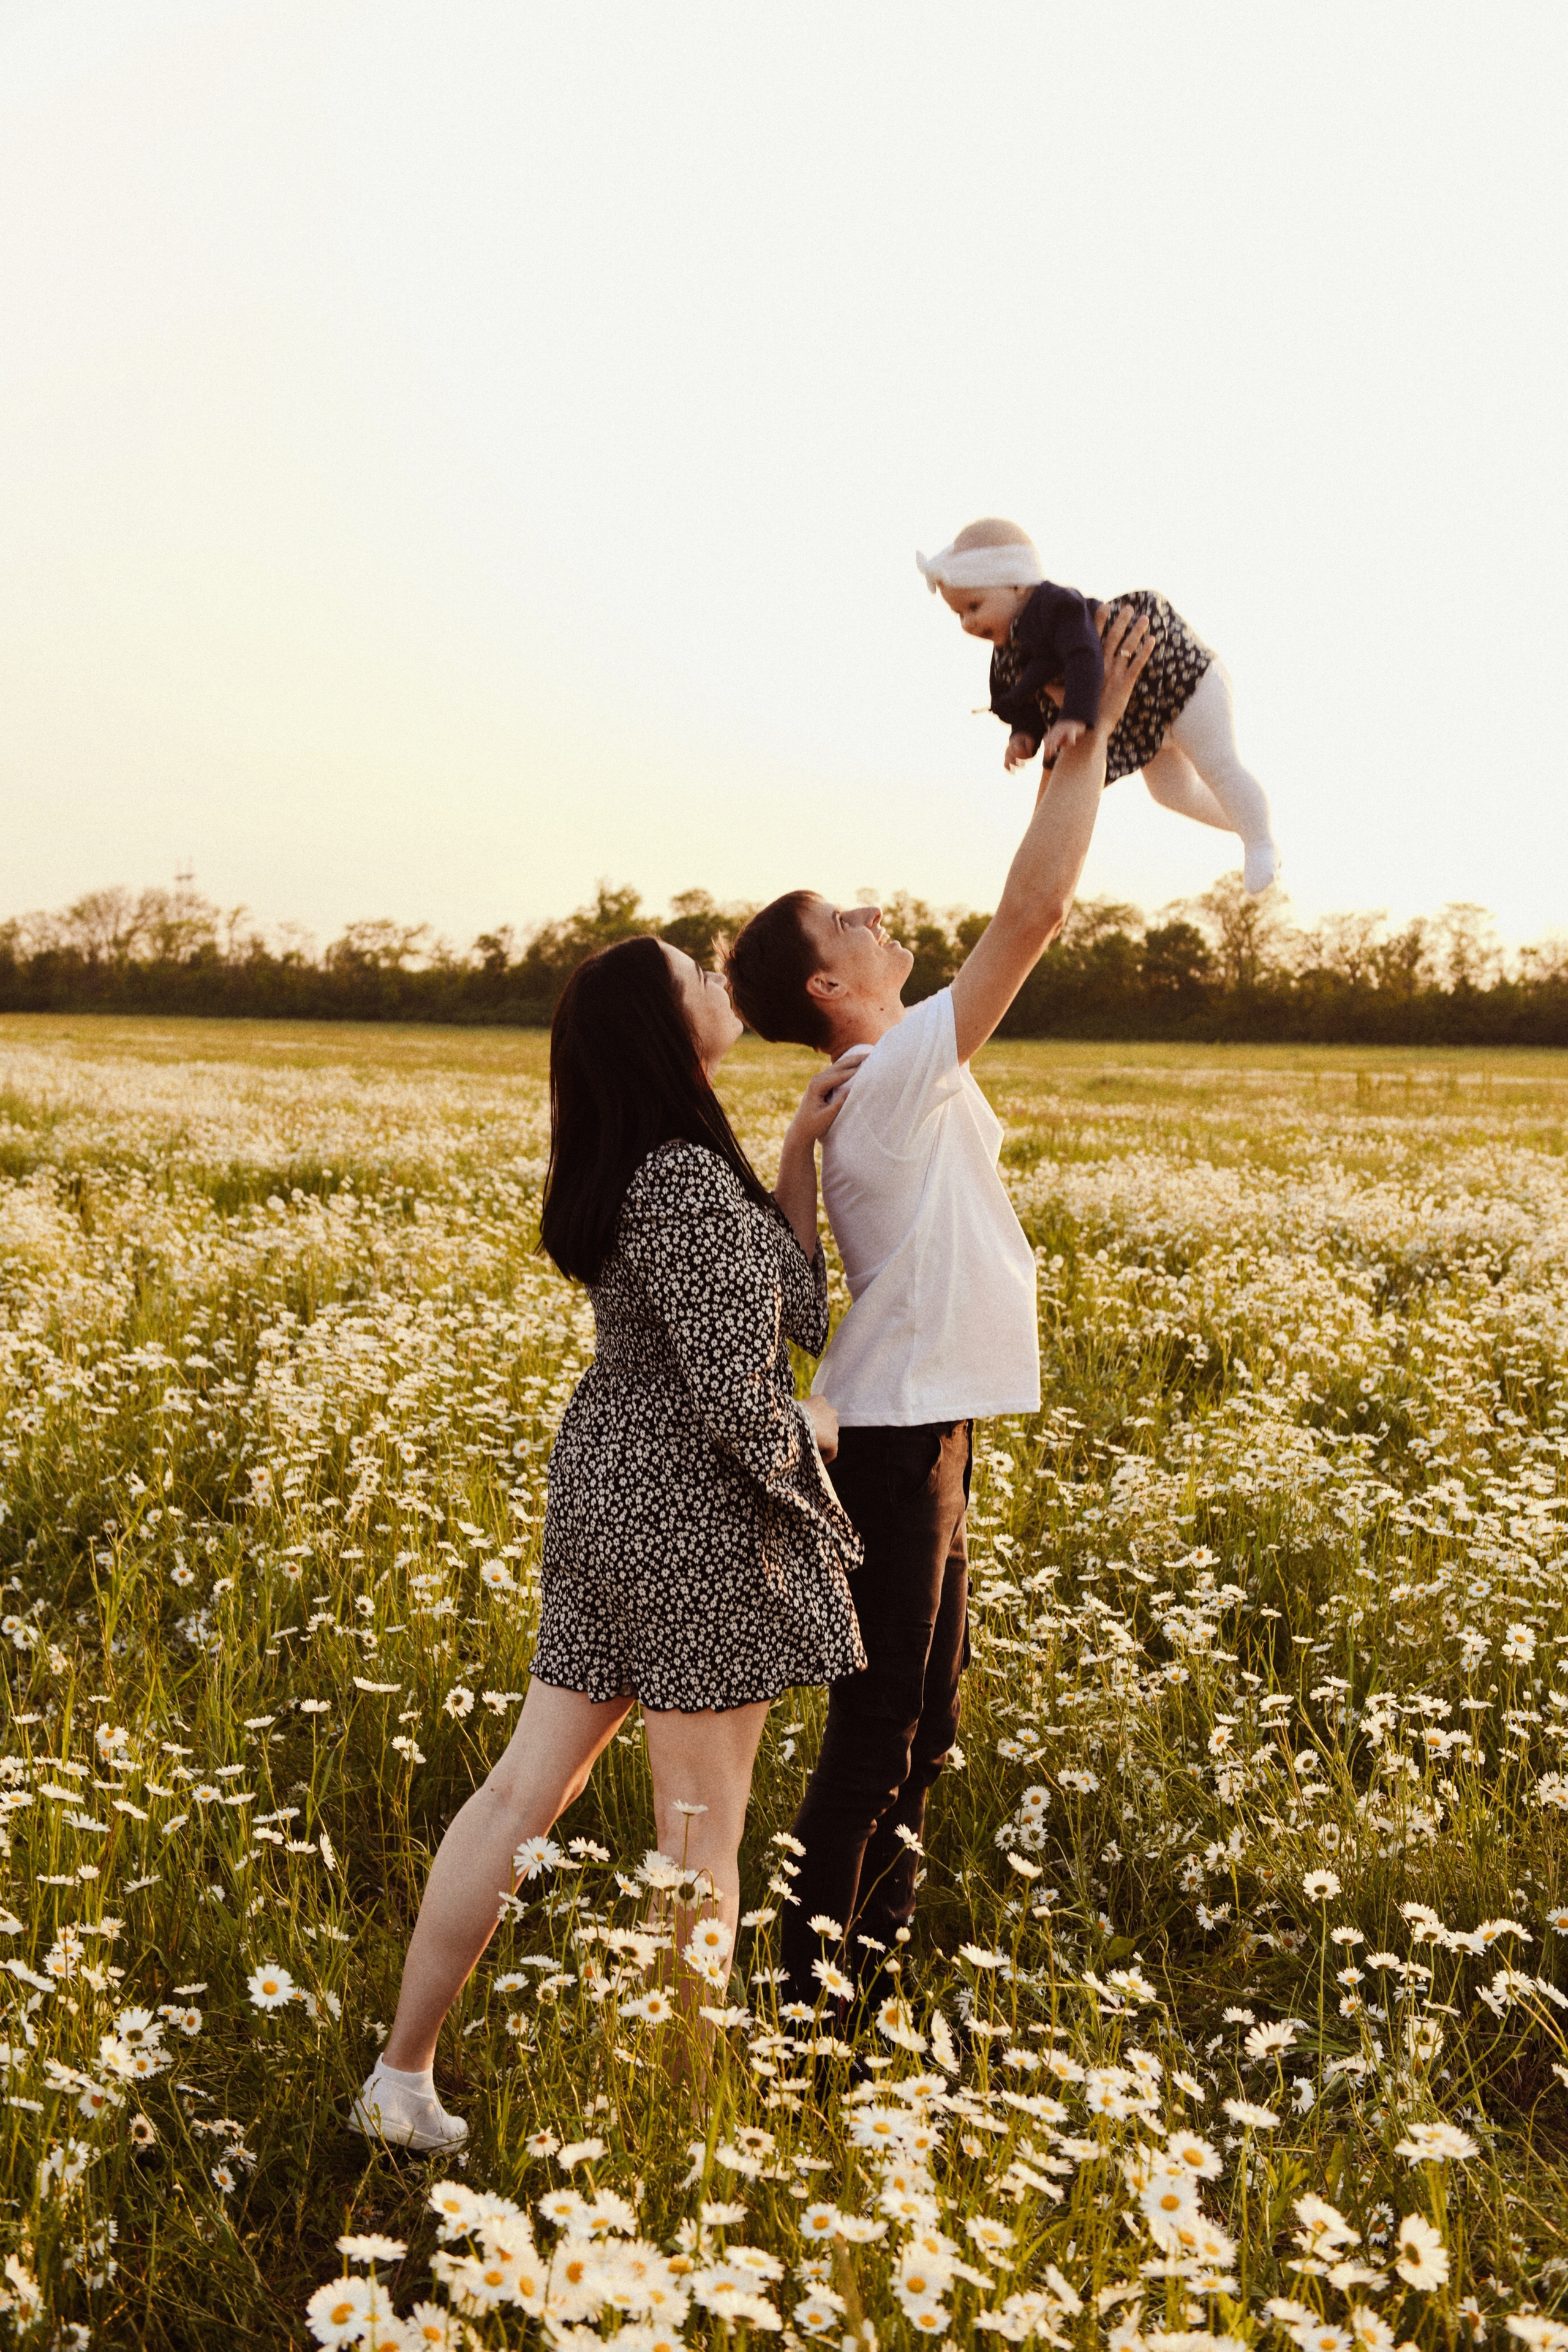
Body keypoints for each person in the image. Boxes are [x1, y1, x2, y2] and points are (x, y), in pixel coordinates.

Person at [351, 933, 864, 2150]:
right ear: (662, 1021)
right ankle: (678, 2137)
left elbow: (796, 1304)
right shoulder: (681, 1181)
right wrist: (816, 1428)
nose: (716, 983)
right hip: (684, 1512)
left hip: (604, 1490)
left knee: (526, 1789)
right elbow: (749, 1396)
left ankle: (399, 2079)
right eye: (696, 972)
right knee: (700, 1837)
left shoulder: (669, 1161)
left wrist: (793, 1153)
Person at [723, 604, 1153, 2015]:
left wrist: (791, 1153)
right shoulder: (897, 1062)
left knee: (923, 1723)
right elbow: (1029, 915)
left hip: (923, 1424)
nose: (875, 909)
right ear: (826, 985)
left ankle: (859, 1987)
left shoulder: (872, 1083)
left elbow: (798, 1307)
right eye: (848, 916)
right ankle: (806, 2017)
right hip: (898, 1439)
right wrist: (1077, 742)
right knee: (879, 1729)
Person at [918, 514, 1278, 895]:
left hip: (1180, 679)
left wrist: (1073, 716)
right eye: (959, 614)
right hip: (1140, 716)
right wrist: (1023, 735)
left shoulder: (1057, 607)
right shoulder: (1008, 651)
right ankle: (1252, 824)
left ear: (1017, 584)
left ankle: (1259, 842)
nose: (967, 623)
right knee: (1172, 793)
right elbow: (1024, 695)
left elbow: (1084, 656)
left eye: (974, 605)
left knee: (1217, 765)